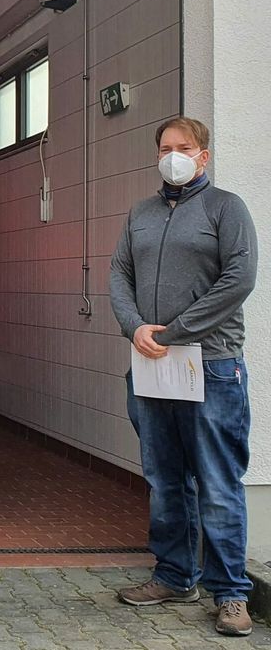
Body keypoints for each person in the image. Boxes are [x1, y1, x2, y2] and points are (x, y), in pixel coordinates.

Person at [109, 117, 258, 637]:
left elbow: (239, 279)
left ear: (204, 156)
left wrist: (175, 330)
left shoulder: (226, 208)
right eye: (167, 148)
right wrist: (134, 328)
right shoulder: (141, 214)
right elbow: (119, 275)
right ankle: (174, 575)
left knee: (216, 481)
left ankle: (231, 593)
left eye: (185, 148)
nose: (174, 155)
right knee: (165, 479)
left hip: (210, 365)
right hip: (151, 367)